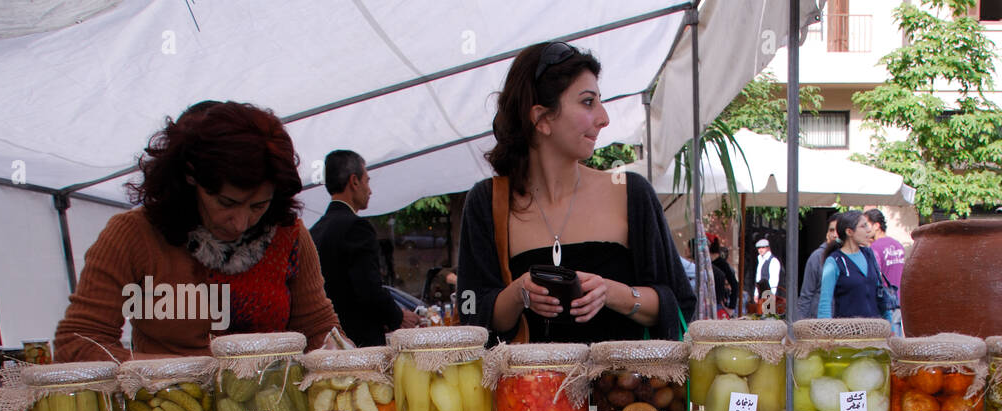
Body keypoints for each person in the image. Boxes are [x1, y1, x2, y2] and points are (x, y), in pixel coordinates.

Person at [54, 101, 342, 361]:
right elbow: (78, 344)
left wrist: (337, 352)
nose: (240, 223)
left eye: (258, 206)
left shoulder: (288, 234)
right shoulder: (133, 234)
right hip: (168, 409)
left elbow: (318, 328)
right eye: (226, 203)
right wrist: (181, 372)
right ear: (190, 176)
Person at [457, 42, 694, 343]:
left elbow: (679, 302)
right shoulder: (487, 202)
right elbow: (471, 312)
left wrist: (614, 293)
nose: (603, 118)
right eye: (587, 102)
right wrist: (518, 294)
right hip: (530, 389)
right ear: (541, 119)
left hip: (620, 388)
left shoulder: (630, 192)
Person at [309, 150, 405, 346]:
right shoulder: (356, 227)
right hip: (359, 343)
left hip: (328, 342)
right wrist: (398, 317)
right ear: (354, 181)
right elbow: (369, 289)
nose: (370, 190)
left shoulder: (315, 230)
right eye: (367, 181)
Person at [816, 210, 886, 319]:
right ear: (849, 232)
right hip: (848, 332)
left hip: (874, 330)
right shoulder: (835, 261)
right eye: (863, 226)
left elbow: (881, 294)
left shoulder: (869, 254)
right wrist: (825, 333)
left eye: (868, 225)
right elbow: (825, 303)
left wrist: (890, 327)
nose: (868, 230)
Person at [865, 207, 905, 334]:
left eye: (867, 225)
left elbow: (874, 275)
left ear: (876, 226)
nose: (865, 229)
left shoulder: (875, 248)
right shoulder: (898, 245)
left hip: (884, 302)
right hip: (898, 299)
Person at [796, 213, 840, 319]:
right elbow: (806, 295)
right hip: (819, 321)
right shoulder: (817, 257)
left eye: (838, 231)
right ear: (826, 234)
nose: (834, 234)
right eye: (831, 230)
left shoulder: (850, 257)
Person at [709, 236, 739, 312]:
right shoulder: (709, 263)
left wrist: (731, 307)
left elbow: (734, 284)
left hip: (718, 304)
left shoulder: (723, 264)